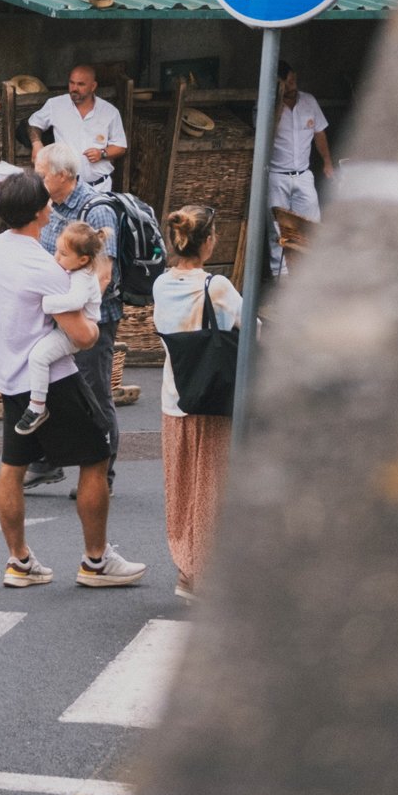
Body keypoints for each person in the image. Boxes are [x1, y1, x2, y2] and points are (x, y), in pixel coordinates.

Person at [0, 173, 145, 592]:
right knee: (96, 455)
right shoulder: (42, 266)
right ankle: (96, 560)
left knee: (12, 468)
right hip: (54, 379)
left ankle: (19, 561)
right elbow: (84, 335)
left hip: (10, 374)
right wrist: (97, 291)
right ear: (40, 212)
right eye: (47, 203)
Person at [152, 203, 241, 601]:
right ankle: (201, 575)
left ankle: (186, 568)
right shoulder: (215, 286)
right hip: (211, 396)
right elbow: (250, 325)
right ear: (206, 242)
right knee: (210, 486)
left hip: (174, 396)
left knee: (182, 486)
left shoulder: (161, 284)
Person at [34, 140, 122, 483]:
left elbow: (103, 272)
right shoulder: (51, 205)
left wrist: (83, 320)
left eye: (42, 174)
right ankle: (49, 460)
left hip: (91, 319)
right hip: (60, 315)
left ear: (62, 175)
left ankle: (104, 472)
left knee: (95, 393)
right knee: (53, 386)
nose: (37, 179)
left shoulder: (94, 209)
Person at [8, 220, 102, 438]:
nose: (57, 258)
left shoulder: (83, 276)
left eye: (63, 254)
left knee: (38, 357)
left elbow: (76, 301)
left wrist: (46, 303)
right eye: (57, 251)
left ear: (83, 259)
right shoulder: (73, 269)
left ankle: (37, 407)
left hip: (73, 334)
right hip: (64, 328)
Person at [269, 62, 334, 273]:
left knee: (311, 226)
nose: (292, 85)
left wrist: (327, 162)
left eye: (293, 80)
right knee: (277, 230)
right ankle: (281, 280)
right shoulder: (267, 103)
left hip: (304, 174)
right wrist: (278, 100)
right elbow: (266, 132)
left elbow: (319, 133)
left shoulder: (309, 101)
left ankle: (309, 275)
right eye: (286, 82)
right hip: (276, 176)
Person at [30, 64, 127, 198]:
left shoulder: (109, 112)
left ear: (93, 86)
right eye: (72, 83)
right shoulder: (55, 105)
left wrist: (102, 154)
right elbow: (33, 123)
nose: (74, 88)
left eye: (80, 84)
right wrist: (36, 144)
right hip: (65, 188)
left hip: (99, 188)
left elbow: (121, 146)